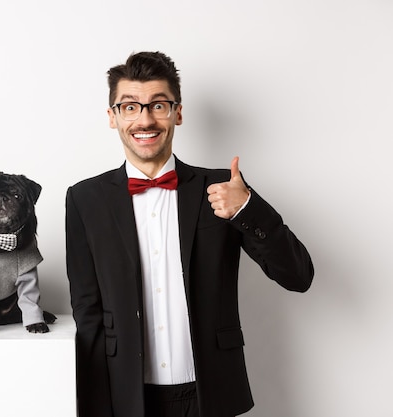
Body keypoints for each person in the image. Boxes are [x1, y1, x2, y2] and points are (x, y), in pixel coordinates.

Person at [65, 51, 314, 417]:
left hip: (210, 395)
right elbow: (87, 313)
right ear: (113, 117)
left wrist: (247, 210)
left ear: (178, 113)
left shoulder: (224, 188)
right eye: (130, 107)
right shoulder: (85, 199)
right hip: (125, 397)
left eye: (158, 105)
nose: (145, 119)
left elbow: (299, 276)